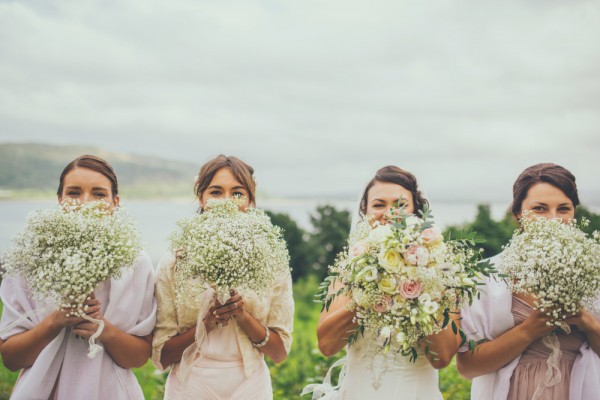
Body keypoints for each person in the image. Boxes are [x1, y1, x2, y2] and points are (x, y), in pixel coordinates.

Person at [0, 155, 157, 399]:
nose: (86, 202)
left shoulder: (137, 263)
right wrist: (56, 320)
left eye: (99, 194)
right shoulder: (28, 259)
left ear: (115, 202)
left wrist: (102, 329)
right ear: (60, 199)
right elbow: (10, 358)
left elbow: (138, 357)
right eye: (74, 193)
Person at [152, 154, 294, 400]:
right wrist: (204, 324)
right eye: (216, 192)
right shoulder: (174, 262)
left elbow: (280, 352)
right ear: (201, 198)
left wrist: (243, 316)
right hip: (189, 386)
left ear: (250, 200)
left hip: (250, 386)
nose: (227, 202)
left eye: (237, 193)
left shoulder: (273, 261)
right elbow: (161, 356)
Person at [311, 165, 459, 399]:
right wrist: (369, 292)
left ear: (415, 211)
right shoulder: (348, 270)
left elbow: (442, 357)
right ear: (365, 211)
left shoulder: (440, 272)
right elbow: (327, 346)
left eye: (400, 205)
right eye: (379, 204)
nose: (389, 213)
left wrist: (417, 288)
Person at [457, 163, 600, 400]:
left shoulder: (593, 270)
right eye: (540, 209)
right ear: (518, 214)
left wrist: (587, 322)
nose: (553, 220)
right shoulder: (486, 276)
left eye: (563, 209)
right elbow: (467, 367)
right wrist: (529, 330)